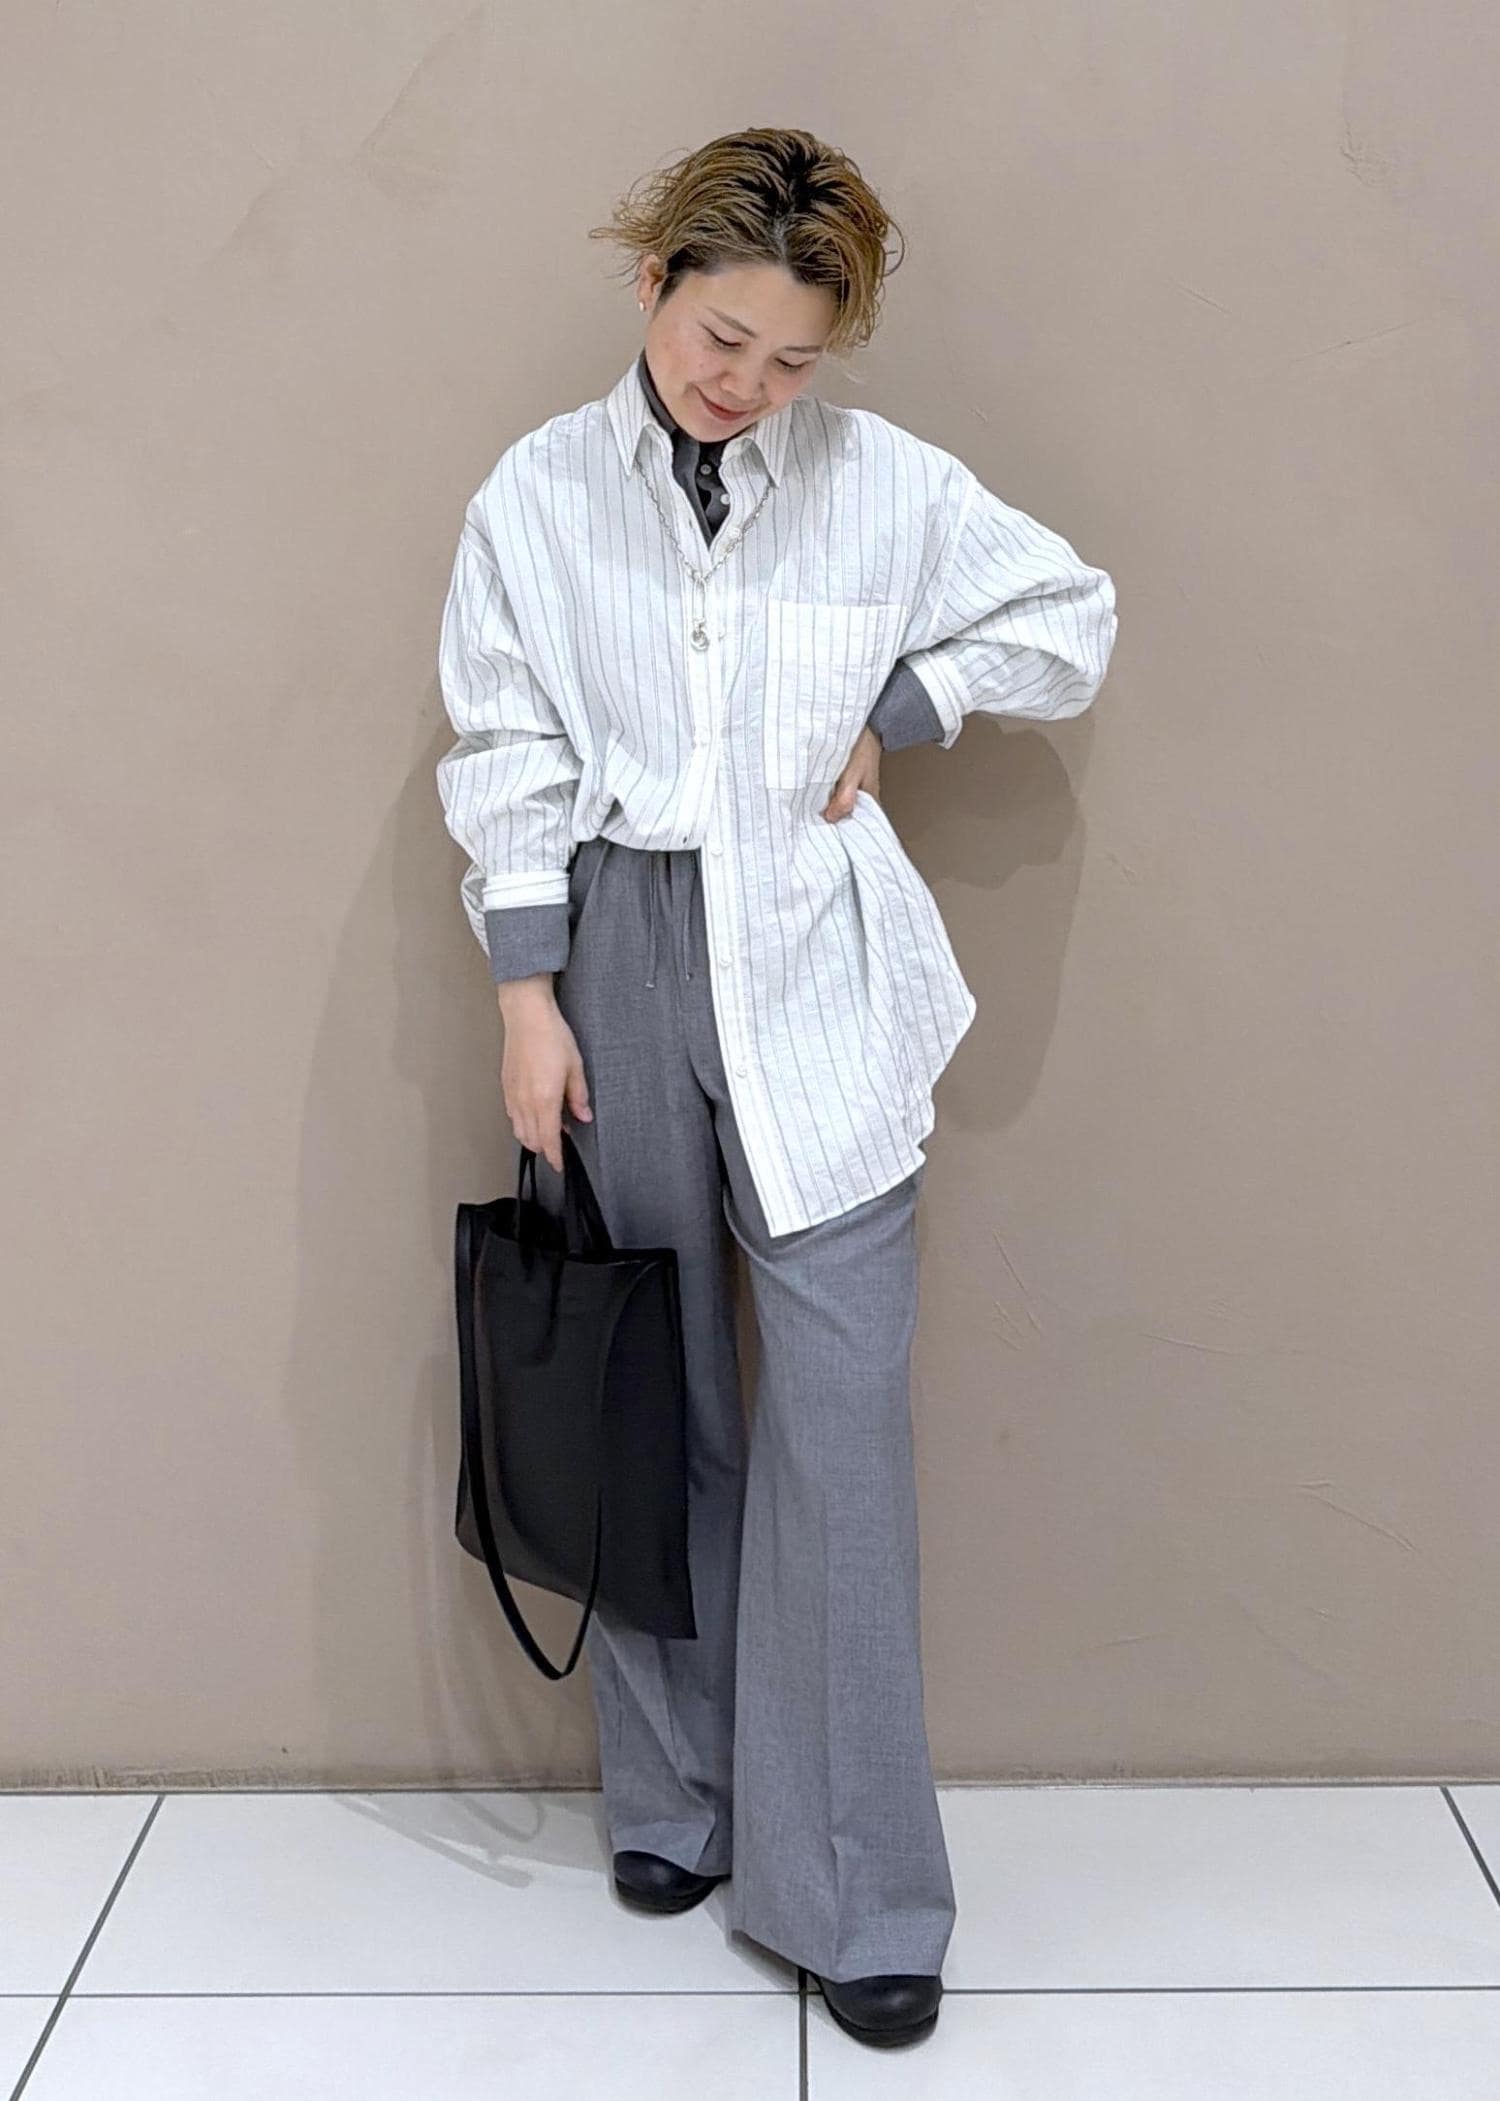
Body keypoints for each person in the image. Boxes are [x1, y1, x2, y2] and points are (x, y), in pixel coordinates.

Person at [435, 126, 1118, 2049]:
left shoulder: (886, 486)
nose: (746, 383)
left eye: (793, 357)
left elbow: (1072, 616)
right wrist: (526, 996)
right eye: (720, 336)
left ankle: (857, 1886)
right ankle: (677, 1798)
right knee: (657, 1390)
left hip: (816, 960)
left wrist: (909, 702)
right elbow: (505, 737)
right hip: (618, 949)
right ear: (653, 281)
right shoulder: (538, 493)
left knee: (837, 1423)